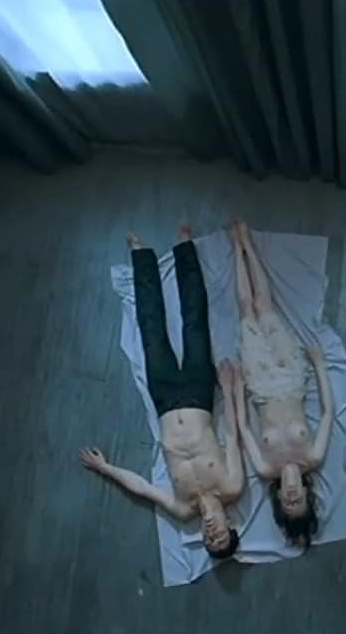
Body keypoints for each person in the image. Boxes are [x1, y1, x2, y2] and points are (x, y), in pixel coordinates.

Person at [79, 226, 245, 559]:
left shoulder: (183, 508)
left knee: (151, 329)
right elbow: (233, 435)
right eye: (220, 536)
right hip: (199, 396)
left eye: (209, 541)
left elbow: (143, 489)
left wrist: (105, 468)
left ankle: (140, 254)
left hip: (165, 400)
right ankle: (185, 248)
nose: (211, 533)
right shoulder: (232, 486)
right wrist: (228, 391)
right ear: (229, 525)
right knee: (195, 323)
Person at [227, 219, 335, 548]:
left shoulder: (265, 468)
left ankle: (236, 248)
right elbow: (328, 413)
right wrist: (319, 366)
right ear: (306, 492)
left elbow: (244, 429)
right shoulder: (312, 456)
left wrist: (237, 390)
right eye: (297, 499)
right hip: (291, 378)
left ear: (278, 500)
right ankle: (247, 243)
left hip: (260, 385)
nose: (291, 495)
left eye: (287, 503)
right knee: (265, 307)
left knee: (247, 312)